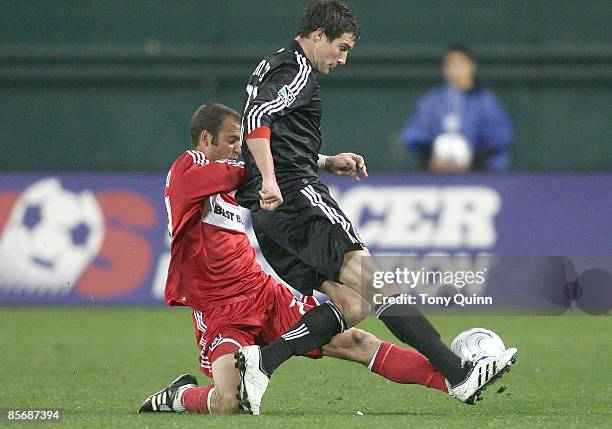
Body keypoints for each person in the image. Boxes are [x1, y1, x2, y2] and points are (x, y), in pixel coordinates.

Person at [236, 0, 517, 414]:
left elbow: (273, 131)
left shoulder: (274, 65)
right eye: (342, 47)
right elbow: (256, 120)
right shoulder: (298, 68)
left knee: (353, 304)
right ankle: (458, 374)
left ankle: (264, 362)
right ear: (318, 37)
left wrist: (324, 161)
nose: (344, 59)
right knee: (377, 283)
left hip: (271, 216)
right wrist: (275, 179)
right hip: (297, 198)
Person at [137, 103, 450, 416]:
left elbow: (268, 166)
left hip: (262, 294)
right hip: (220, 309)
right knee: (230, 402)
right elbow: (262, 166)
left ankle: (452, 377)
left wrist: (324, 161)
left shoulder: (233, 181)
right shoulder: (189, 167)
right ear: (206, 138)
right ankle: (180, 397)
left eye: (240, 142)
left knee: (355, 341)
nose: (238, 149)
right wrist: (311, 163)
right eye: (232, 140)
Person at [401, 43, 514, 172]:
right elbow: (414, 136)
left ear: (471, 66)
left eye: (459, 64)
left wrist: (472, 162)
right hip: (438, 175)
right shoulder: (432, 101)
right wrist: (431, 159)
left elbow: (499, 140)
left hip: (480, 175)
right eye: (450, 65)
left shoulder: (486, 101)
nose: (454, 70)